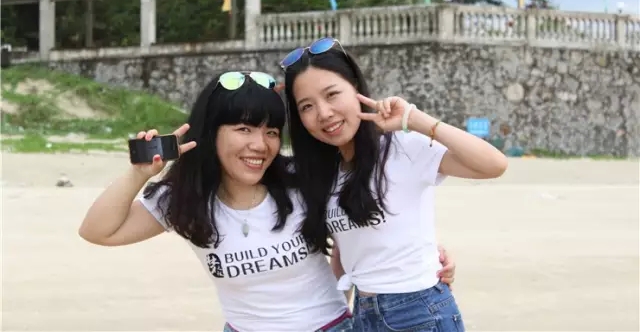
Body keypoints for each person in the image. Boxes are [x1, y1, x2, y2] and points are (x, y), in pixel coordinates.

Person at [77, 70, 459, 332]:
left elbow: (365, 230)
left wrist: (427, 258)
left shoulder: (302, 179)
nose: (259, 145)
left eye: (272, 132)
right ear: (211, 133)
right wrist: (139, 174)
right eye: (243, 129)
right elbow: (98, 231)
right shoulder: (184, 199)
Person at [281, 38, 509, 332]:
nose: (324, 113)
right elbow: (345, 252)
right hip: (364, 314)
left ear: (356, 88)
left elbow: (493, 164)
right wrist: (340, 316)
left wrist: (413, 119)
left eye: (332, 94)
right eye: (307, 106)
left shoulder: (401, 147)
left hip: (419, 312)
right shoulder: (325, 172)